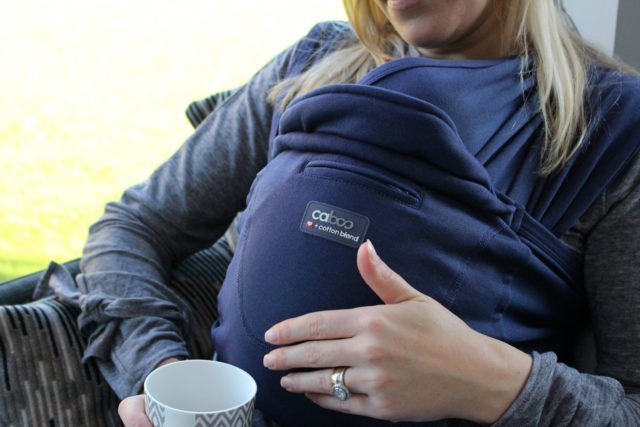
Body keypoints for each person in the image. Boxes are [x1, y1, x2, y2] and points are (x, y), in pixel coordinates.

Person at [72, 1, 640, 426]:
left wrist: (492, 382)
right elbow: (131, 227)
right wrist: (162, 372)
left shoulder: (609, 129)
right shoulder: (314, 67)